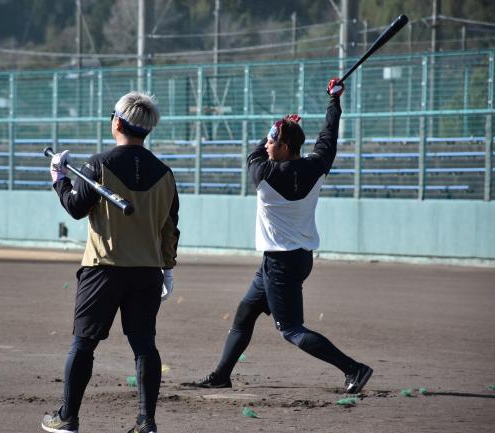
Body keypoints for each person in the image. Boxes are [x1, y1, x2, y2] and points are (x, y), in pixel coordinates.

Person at [183, 78, 372, 395]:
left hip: (280, 262)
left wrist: (278, 126)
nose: (267, 143)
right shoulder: (316, 167)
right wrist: (334, 101)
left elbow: (254, 154)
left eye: (273, 139)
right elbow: (328, 138)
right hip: (298, 258)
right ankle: (221, 374)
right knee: (246, 311)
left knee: (291, 329)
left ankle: (354, 369)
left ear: (283, 147)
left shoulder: (264, 174)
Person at [42, 91, 180, 433]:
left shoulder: (99, 163)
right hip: (147, 272)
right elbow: (170, 228)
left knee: (84, 343)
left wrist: (59, 179)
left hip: (103, 269)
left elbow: (75, 207)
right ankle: (146, 422)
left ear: (116, 122)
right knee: (144, 343)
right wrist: (168, 267)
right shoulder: (165, 173)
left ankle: (68, 417)